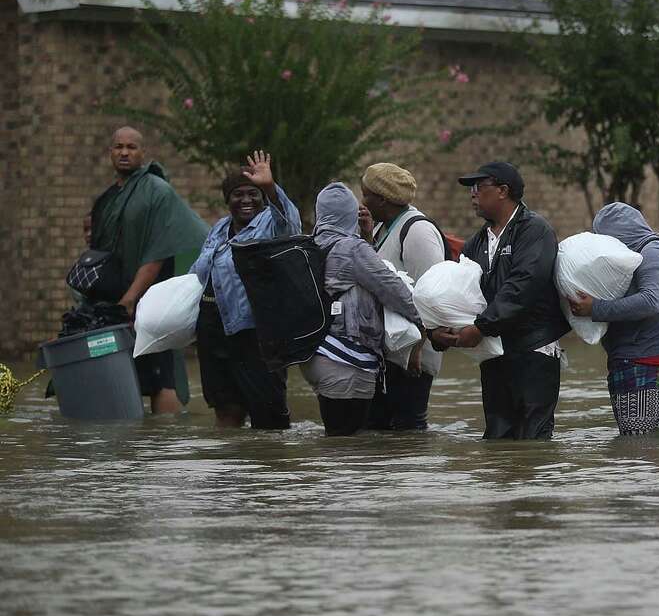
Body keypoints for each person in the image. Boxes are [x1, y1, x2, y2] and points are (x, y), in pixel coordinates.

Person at [429, 162, 569, 439]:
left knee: (533, 439)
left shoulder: (533, 231)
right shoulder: (475, 244)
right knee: (498, 437)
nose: (472, 194)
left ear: (503, 191)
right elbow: (461, 294)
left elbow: (523, 286)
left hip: (533, 348)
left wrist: (481, 327)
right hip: (493, 352)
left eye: (479, 187)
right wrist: (439, 332)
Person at [85, 126, 208, 413]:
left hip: (148, 301)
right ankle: (134, 445)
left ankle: (162, 445)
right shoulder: (110, 197)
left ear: (143, 153)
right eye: (118, 147)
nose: (124, 152)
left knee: (160, 374)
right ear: (110, 153)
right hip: (115, 301)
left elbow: (157, 252)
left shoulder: (157, 191)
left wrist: (131, 299)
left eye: (131, 147)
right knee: (116, 371)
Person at [300, 182, 423, 436]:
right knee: (349, 448)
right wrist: (427, 321)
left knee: (337, 438)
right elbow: (391, 288)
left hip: (316, 354)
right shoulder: (351, 248)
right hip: (345, 357)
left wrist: (366, 239)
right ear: (349, 214)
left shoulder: (310, 244)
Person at [190, 151, 301, 428]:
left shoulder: (270, 224)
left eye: (253, 193)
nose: (246, 200)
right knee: (226, 408)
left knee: (269, 416)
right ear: (227, 199)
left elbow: (291, 221)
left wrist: (270, 187)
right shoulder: (219, 228)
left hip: (257, 331)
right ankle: (230, 466)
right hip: (214, 328)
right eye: (238, 194)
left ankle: (267, 467)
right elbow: (200, 272)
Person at [568, 202, 659, 435]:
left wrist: (596, 308)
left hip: (645, 359)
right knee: (650, 442)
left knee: (637, 443)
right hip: (639, 358)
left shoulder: (653, 252)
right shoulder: (638, 253)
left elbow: (652, 300)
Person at [359, 163, 447, 431]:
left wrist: (417, 348)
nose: (362, 201)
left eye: (366, 195)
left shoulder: (418, 231)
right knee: (382, 429)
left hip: (412, 355)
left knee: (408, 428)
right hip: (391, 351)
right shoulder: (382, 228)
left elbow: (429, 296)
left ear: (383, 199)